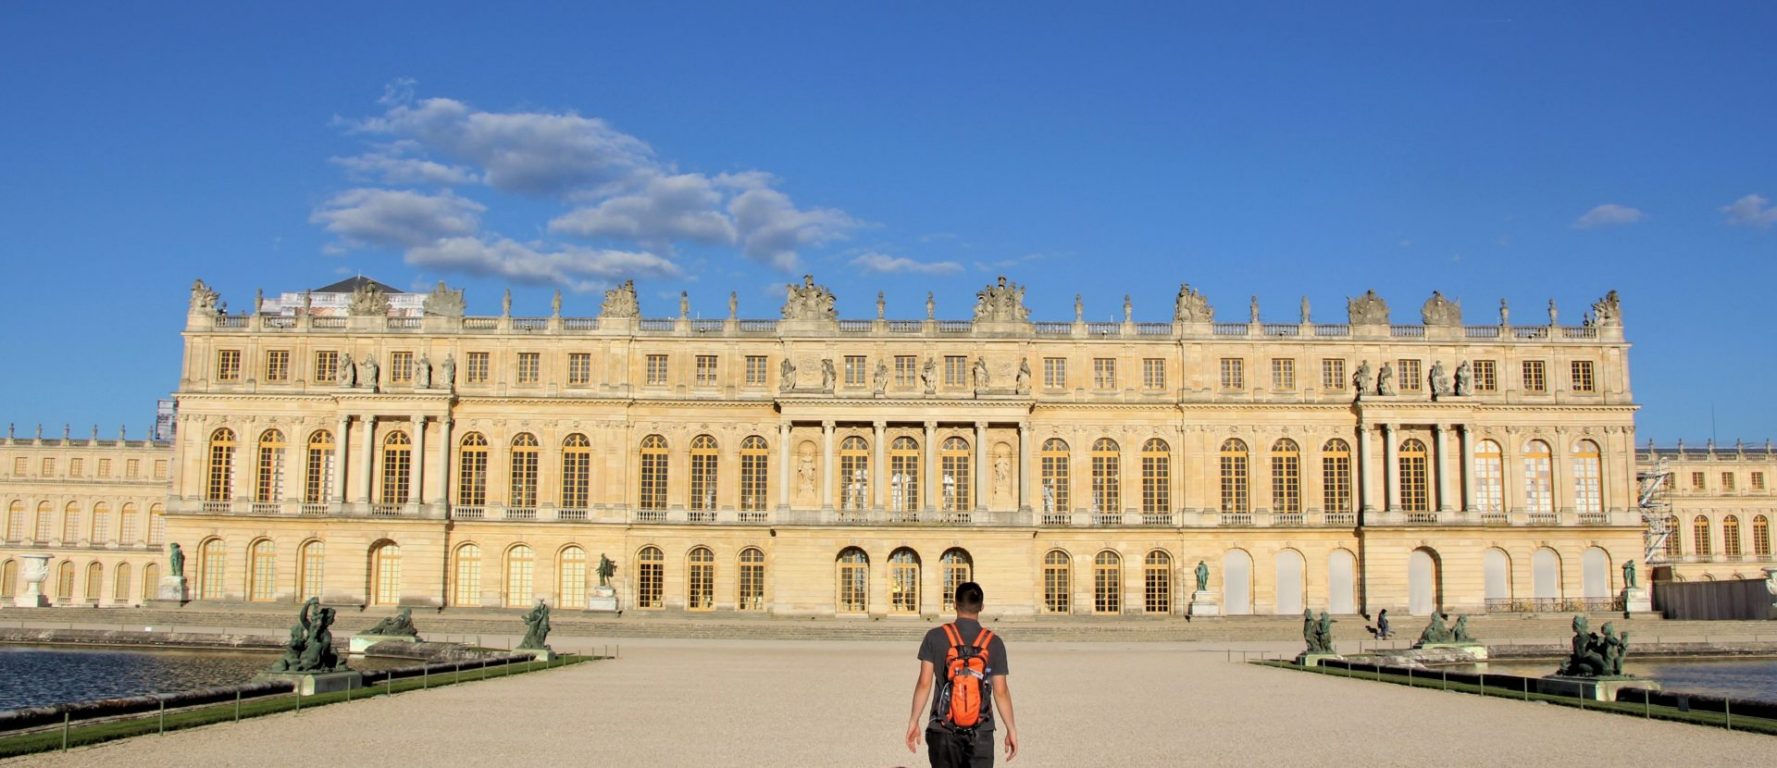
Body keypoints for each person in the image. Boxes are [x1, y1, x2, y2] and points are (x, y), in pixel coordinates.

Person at [906, 581, 1018, 766]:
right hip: (981, 729)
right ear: (982, 607)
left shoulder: (935, 636)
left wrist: (913, 720)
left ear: (954, 604)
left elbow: (924, 683)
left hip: (943, 728)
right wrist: (1011, 729)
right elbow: (1001, 691)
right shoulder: (994, 642)